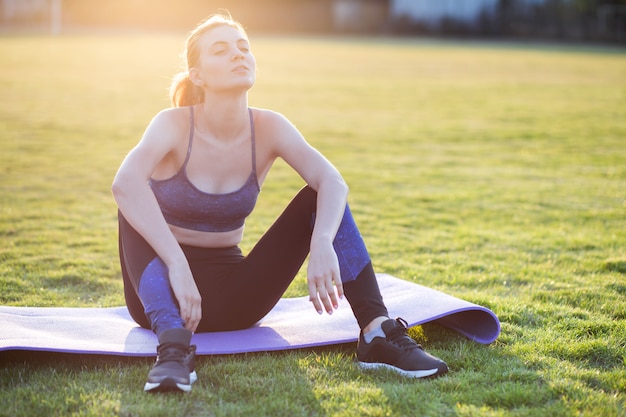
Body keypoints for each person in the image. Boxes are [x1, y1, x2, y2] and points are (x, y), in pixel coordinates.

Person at [112, 14, 448, 393]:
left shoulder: (269, 127)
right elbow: (124, 184)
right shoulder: (172, 124)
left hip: (234, 299)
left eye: (243, 47)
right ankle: (172, 352)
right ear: (198, 75)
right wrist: (176, 263)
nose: (238, 55)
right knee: (133, 200)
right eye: (221, 50)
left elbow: (332, 181)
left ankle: (376, 333)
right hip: (160, 299)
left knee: (321, 197)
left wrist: (321, 242)